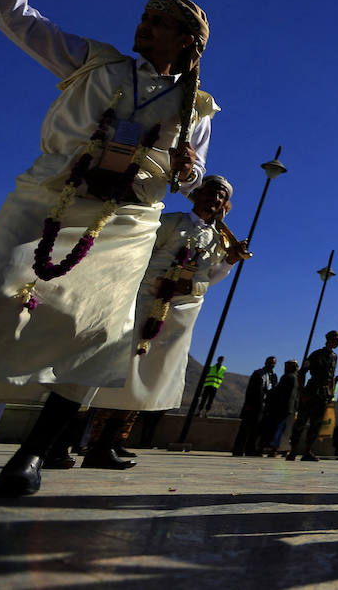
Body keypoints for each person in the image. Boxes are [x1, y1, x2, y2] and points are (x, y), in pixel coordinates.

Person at [0, 0, 217, 498]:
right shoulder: (91, 62)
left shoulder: (197, 107)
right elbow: (11, 12)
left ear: (187, 40)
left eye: (159, 22)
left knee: (99, 333)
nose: (144, 26)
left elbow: (190, 178)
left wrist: (186, 170)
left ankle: (32, 455)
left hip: (125, 221)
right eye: (144, 17)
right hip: (49, 195)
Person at [81, 175, 245, 469]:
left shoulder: (218, 239)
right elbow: (140, 255)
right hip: (144, 303)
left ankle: (110, 441)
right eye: (210, 193)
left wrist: (230, 260)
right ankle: (85, 440)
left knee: (147, 376)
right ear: (197, 194)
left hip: (178, 314)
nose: (214, 199)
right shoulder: (170, 222)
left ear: (224, 205)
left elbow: (209, 277)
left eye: (220, 197)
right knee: (121, 369)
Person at [289, 332, 338, 461]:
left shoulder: (334, 357)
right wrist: (302, 392)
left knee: (316, 424)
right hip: (311, 391)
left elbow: (331, 377)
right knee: (301, 422)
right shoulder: (316, 354)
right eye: (336, 340)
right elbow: (302, 372)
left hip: (323, 394)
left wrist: (331, 390)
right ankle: (293, 451)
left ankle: (307, 451)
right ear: (329, 340)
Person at [235, 355, 278, 457]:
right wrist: (248, 405)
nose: (272, 365)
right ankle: (238, 449)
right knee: (245, 429)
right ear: (265, 362)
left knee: (256, 430)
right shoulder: (258, 374)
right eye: (270, 362)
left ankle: (250, 449)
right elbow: (251, 391)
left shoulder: (273, 376)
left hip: (263, 408)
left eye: (273, 363)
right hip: (253, 406)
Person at [258, 360, 299, 456]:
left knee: (277, 429)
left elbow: (279, 392)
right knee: (282, 430)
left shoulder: (288, 377)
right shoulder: (294, 378)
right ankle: (278, 448)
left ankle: (273, 448)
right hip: (289, 409)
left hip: (282, 408)